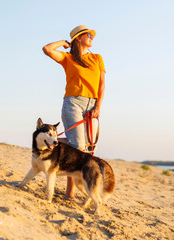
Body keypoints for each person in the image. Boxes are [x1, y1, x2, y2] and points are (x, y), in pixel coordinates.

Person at [42, 25, 106, 199]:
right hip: (73, 103)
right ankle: (69, 193)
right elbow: (47, 49)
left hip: (92, 105)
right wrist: (64, 42)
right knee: (77, 148)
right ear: (78, 38)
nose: (91, 36)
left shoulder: (97, 58)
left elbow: (101, 85)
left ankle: (45, 141)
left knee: (87, 148)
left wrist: (98, 106)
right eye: (88, 34)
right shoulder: (68, 58)